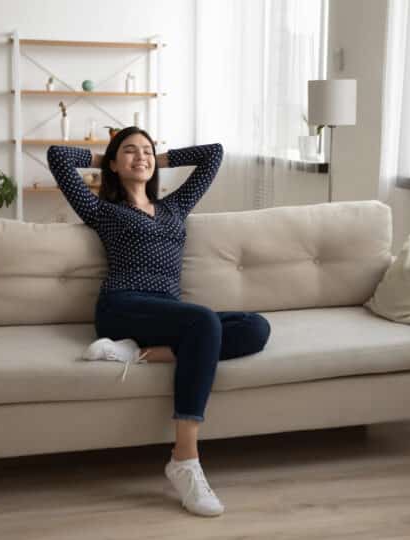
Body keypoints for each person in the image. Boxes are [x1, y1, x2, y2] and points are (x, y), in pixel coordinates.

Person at [46, 127, 271, 517]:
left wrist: (154, 159)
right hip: (122, 305)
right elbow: (58, 157)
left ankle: (142, 353)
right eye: (130, 152)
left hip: (169, 314)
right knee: (202, 322)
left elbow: (213, 154)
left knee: (255, 327)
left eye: (147, 151)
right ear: (115, 164)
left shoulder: (174, 207)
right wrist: (111, 159)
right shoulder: (102, 210)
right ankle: (185, 459)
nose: (141, 157)